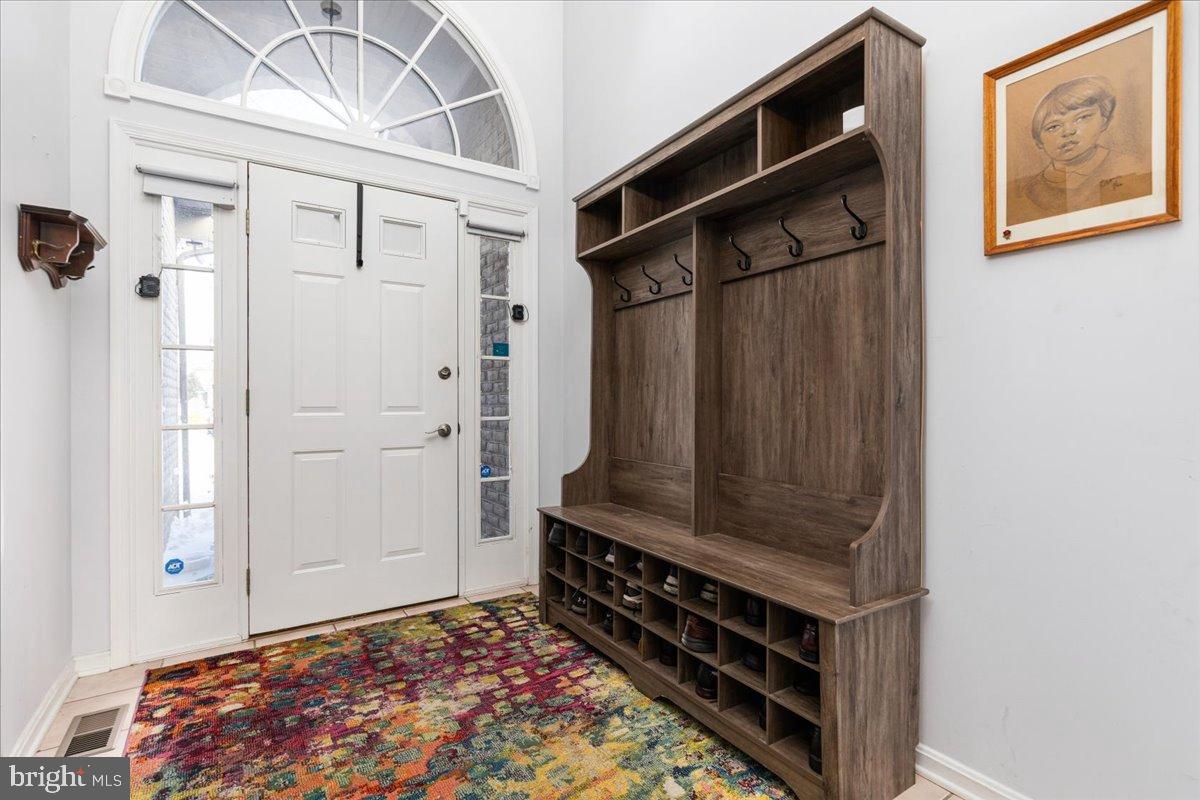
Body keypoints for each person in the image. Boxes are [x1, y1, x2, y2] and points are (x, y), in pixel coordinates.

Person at [1008, 75, 1150, 225]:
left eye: (1082, 118)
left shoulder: (1129, 168)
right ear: (1039, 142)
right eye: (1054, 127)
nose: (1068, 131)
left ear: (1104, 120)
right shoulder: (1025, 192)